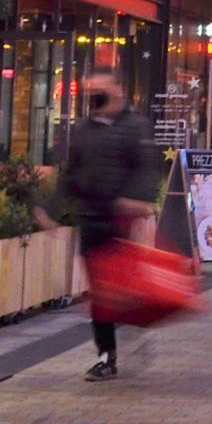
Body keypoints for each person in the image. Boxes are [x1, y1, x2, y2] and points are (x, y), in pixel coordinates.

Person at [60, 66, 161, 382]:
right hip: (91, 216)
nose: (93, 95)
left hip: (120, 218)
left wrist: (137, 200)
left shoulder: (135, 126)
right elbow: (71, 170)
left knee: (117, 286)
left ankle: (125, 331)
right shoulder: (84, 128)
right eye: (89, 90)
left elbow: (147, 167)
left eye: (98, 89)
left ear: (117, 89)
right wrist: (53, 205)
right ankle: (107, 355)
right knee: (101, 290)